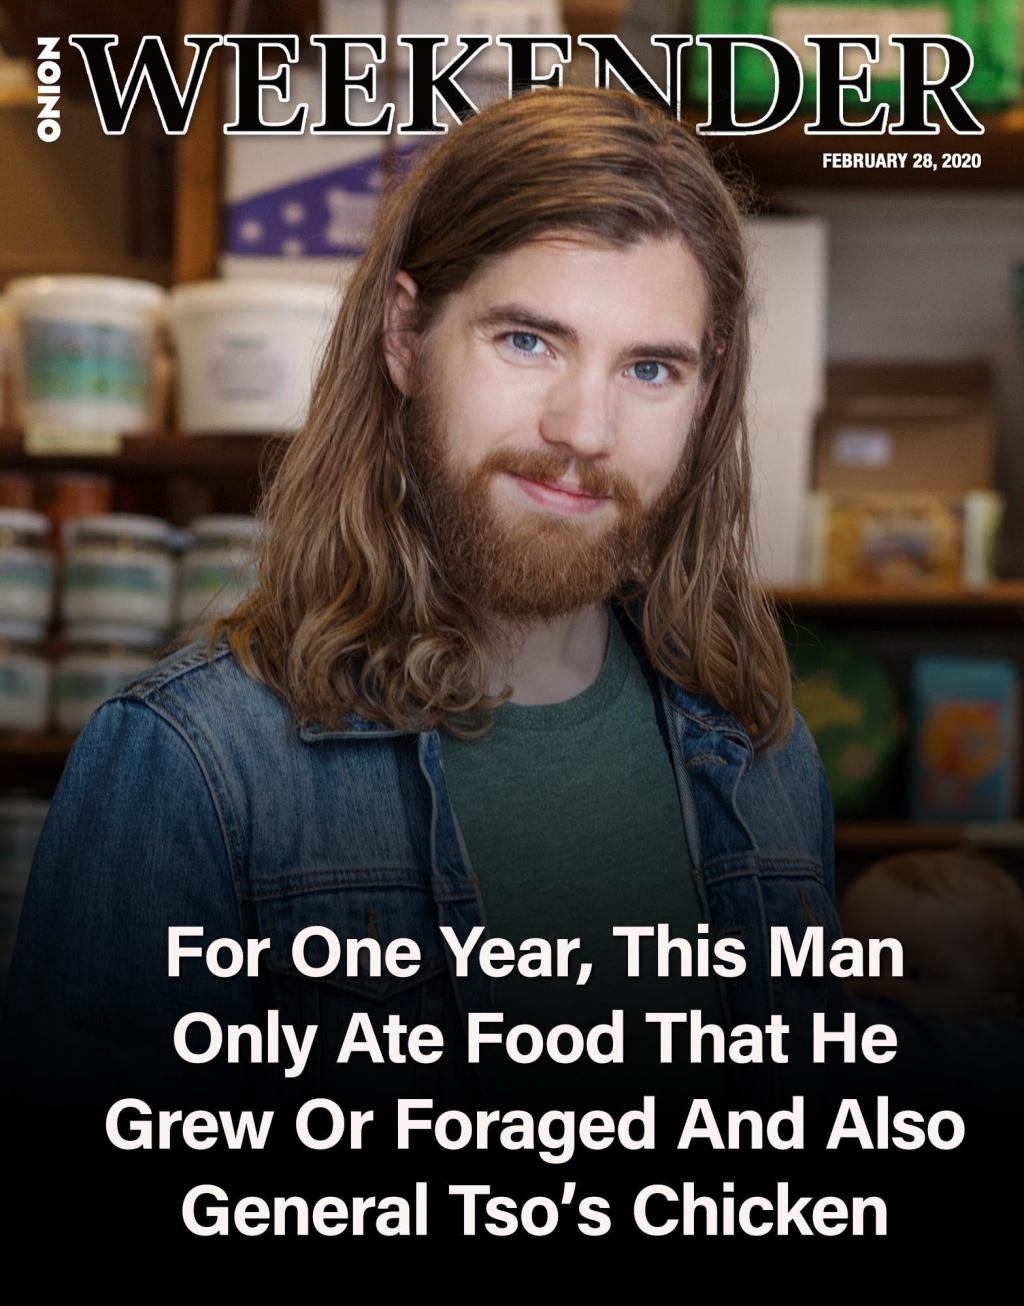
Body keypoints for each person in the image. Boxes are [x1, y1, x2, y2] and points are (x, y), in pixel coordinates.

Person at [0, 87, 841, 1125]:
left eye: (650, 367)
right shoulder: (190, 767)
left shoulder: (766, 762)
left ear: (705, 393)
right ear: (405, 334)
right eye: (528, 341)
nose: (584, 426)